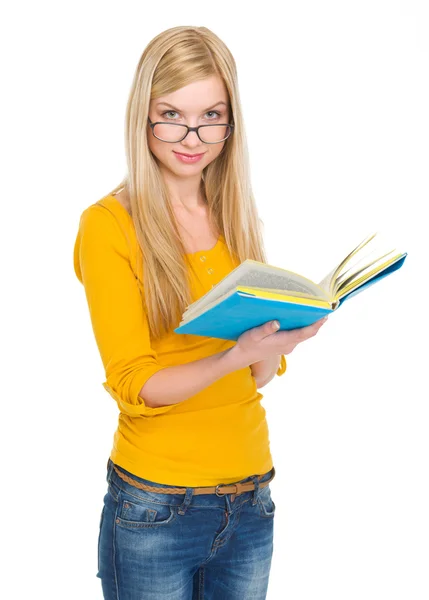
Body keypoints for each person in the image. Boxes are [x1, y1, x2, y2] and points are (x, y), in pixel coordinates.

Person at [73, 25, 328, 600]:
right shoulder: (108, 226)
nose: (193, 136)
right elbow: (135, 384)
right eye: (172, 114)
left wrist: (275, 346)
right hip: (156, 507)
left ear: (231, 121)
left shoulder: (233, 216)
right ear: (143, 117)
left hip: (250, 499)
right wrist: (236, 353)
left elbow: (256, 375)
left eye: (211, 114)